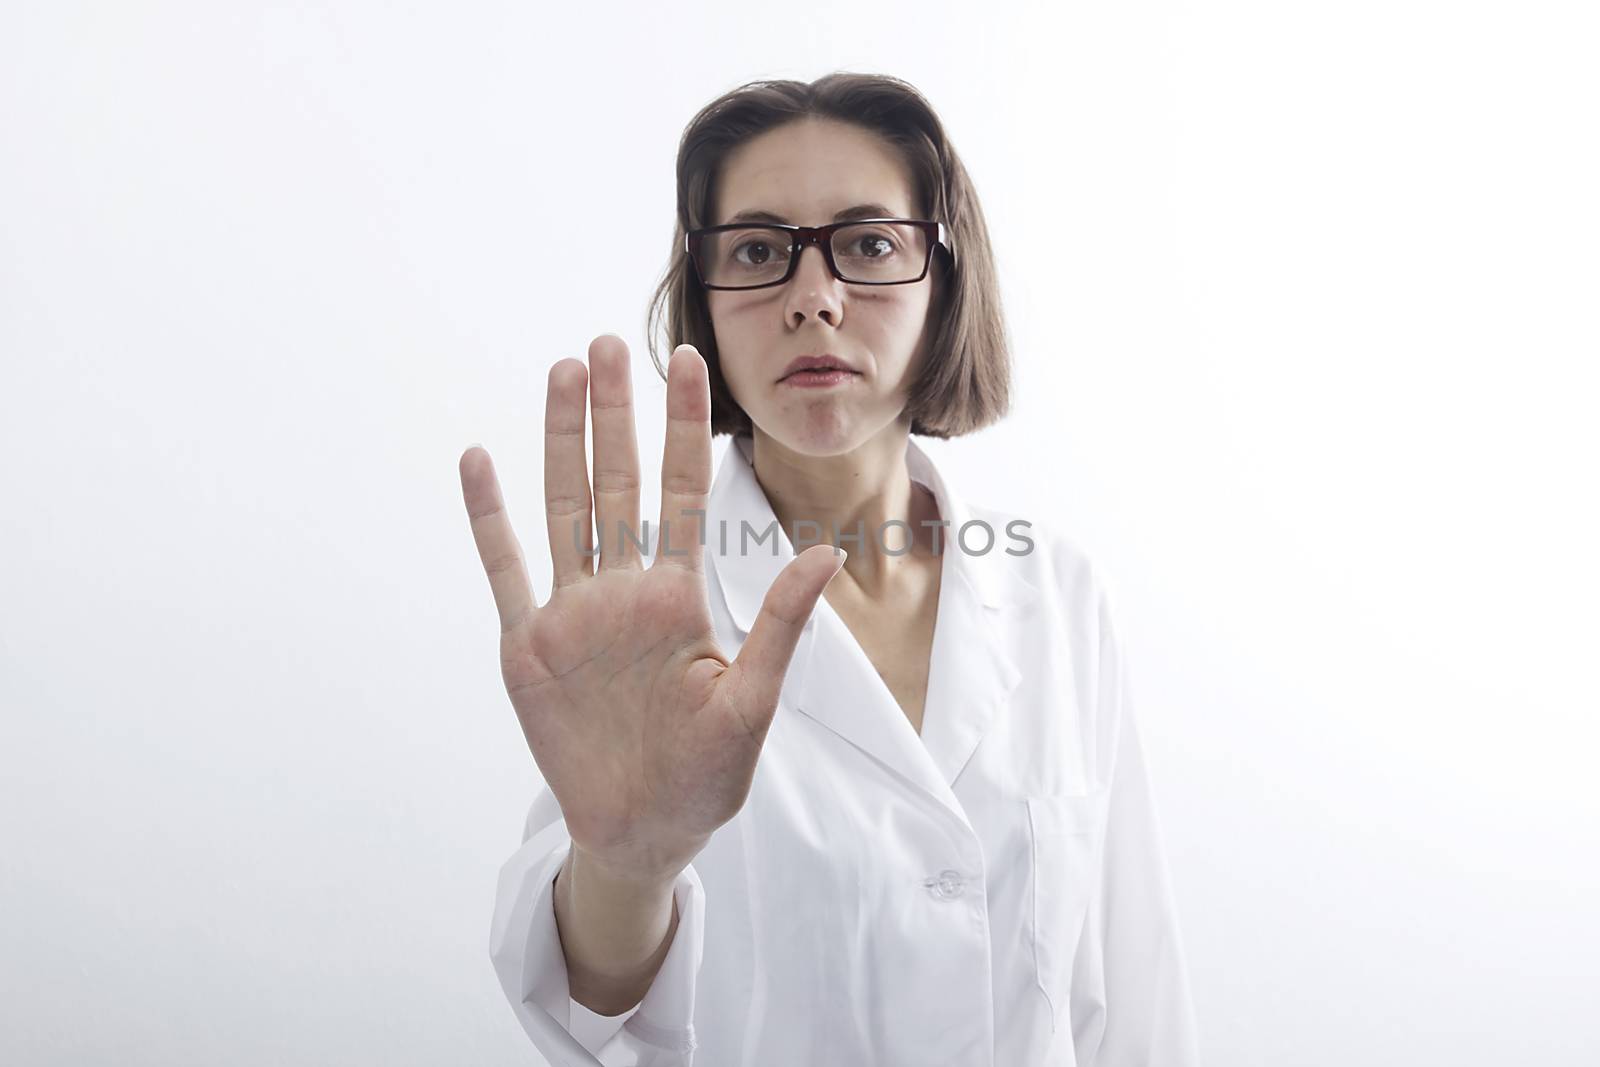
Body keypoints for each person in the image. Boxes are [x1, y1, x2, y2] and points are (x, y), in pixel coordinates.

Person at [459, 72, 1200, 1066]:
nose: (813, 299)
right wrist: (626, 864)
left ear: (944, 279)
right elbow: (584, 1001)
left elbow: (1133, 995)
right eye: (759, 252)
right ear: (704, 300)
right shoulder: (644, 614)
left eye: (867, 244)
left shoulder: (1054, 593)